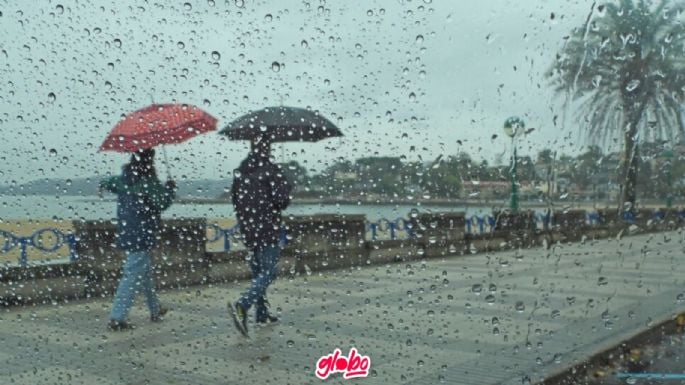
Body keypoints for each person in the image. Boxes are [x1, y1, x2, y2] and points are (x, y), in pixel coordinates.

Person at [99, 148, 176, 331]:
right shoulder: (149, 183)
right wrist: (170, 188)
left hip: (126, 230)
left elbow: (107, 182)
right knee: (132, 274)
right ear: (150, 161)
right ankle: (117, 317)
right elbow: (162, 203)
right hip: (143, 234)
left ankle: (155, 308)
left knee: (145, 272)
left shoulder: (123, 179)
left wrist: (106, 184)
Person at [229, 135, 292, 337]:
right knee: (269, 272)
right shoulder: (271, 171)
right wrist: (286, 185)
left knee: (258, 273)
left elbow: (234, 198)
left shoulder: (241, 170)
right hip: (267, 229)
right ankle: (242, 305)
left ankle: (262, 314)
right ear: (268, 149)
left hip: (248, 228)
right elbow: (281, 201)